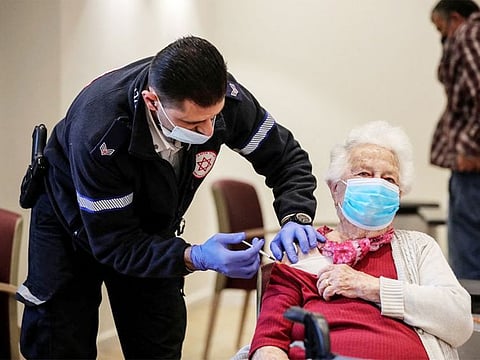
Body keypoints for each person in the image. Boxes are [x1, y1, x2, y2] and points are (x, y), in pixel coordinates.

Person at [16, 36, 323, 359]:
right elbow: (116, 244)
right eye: (192, 122)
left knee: (159, 337)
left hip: (149, 225)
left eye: (213, 118)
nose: (207, 131)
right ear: (152, 102)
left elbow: (286, 159)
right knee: (60, 340)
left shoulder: (225, 101)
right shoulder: (99, 129)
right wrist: (195, 256)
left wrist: (296, 216)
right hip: (70, 225)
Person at [248, 121, 473, 360]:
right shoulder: (303, 252)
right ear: (335, 188)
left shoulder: (419, 247)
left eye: (389, 179)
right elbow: (269, 342)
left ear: (399, 195)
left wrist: (369, 287)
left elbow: (459, 322)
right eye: (364, 174)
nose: (377, 185)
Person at [430, 0, 480, 280]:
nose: (442, 37)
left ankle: (472, 310)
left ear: (456, 19)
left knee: (467, 239)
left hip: (473, 162)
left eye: (441, 29)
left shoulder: (469, 34)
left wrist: (472, 145)